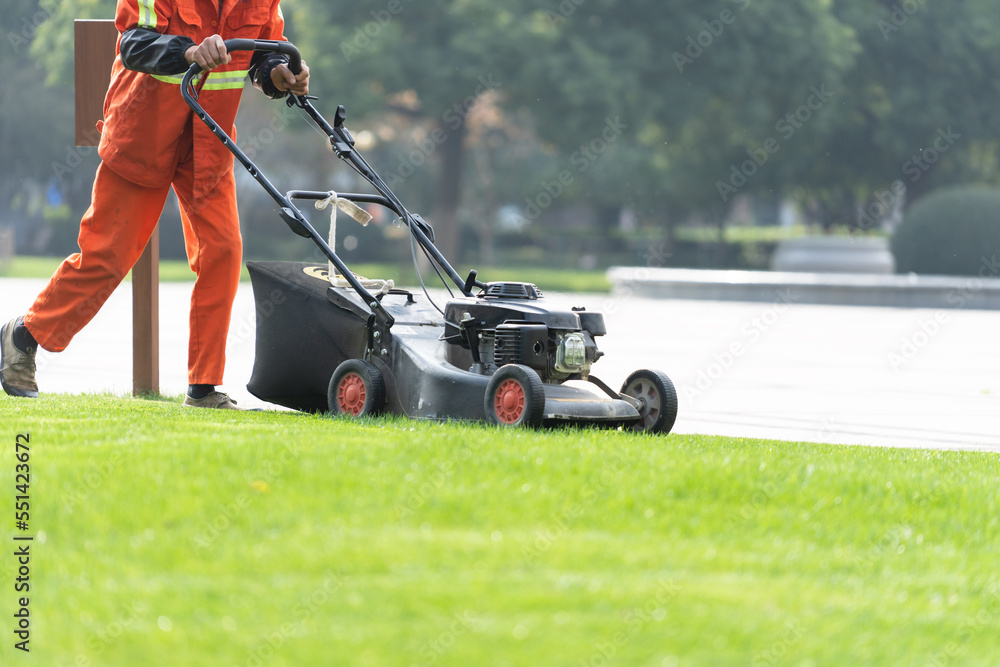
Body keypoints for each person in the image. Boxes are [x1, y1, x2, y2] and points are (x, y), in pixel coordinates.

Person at [0, 0, 309, 408]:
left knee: (224, 251)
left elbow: (264, 51)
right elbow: (135, 43)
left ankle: (204, 387)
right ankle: (22, 337)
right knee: (107, 257)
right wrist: (188, 52)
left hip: (208, 142)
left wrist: (280, 73)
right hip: (141, 136)